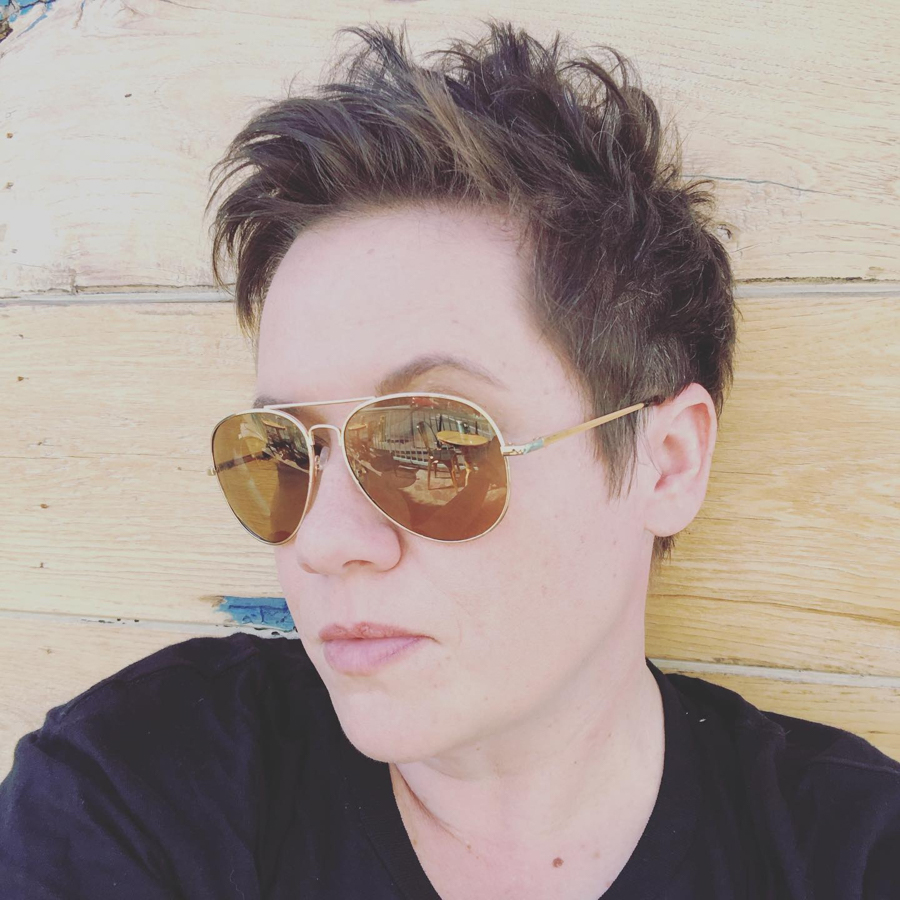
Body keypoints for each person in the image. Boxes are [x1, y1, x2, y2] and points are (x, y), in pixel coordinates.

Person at [2, 18, 898, 900]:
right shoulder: (134, 791)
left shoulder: (853, 853)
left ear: (665, 463)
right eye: (282, 453)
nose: (323, 542)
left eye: (430, 442)